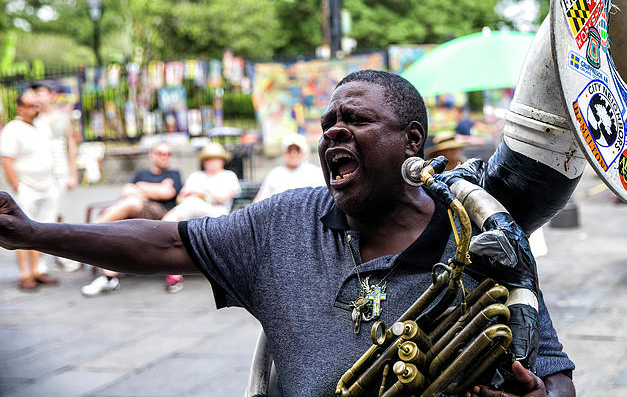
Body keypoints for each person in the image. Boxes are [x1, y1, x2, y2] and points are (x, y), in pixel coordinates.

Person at [0, 71, 575, 397]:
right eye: (328, 125)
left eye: (357, 120)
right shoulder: (285, 221)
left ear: (413, 141)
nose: (334, 133)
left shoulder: (478, 236)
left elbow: (556, 378)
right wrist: (33, 232)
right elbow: (167, 243)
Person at [80, 142, 183, 297]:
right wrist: (153, 189)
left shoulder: (174, 173)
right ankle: (109, 278)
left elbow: (166, 193)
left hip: (160, 217)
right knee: (111, 231)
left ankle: (87, 233)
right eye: (160, 153)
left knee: (132, 202)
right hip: (133, 214)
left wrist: (140, 188)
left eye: (168, 154)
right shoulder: (141, 173)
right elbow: (127, 190)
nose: (164, 157)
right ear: (152, 155)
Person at [161, 142, 241, 293]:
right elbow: (183, 196)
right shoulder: (196, 176)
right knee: (179, 216)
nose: (211, 162)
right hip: (191, 211)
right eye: (208, 159)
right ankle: (172, 269)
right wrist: (200, 193)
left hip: (217, 214)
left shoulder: (229, 176)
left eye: (215, 159)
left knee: (189, 206)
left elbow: (223, 198)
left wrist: (202, 191)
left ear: (222, 160)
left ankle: (163, 232)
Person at [0, 89, 60, 290]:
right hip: (27, 188)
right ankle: (25, 274)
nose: (36, 109)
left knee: (44, 230)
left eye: (37, 105)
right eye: (31, 106)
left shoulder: (42, 126)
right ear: (19, 107)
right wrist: (19, 188)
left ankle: (37, 270)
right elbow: (7, 162)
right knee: (21, 230)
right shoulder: (12, 129)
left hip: (47, 186)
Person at [34, 82, 81, 272]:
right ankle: (40, 260)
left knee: (58, 216)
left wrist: (73, 174)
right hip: (41, 175)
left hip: (61, 172)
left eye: (41, 93)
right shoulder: (34, 120)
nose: (38, 97)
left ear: (52, 96)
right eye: (35, 93)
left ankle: (63, 255)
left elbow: (71, 146)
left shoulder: (63, 118)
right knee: (41, 217)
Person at [253, 133, 324, 203]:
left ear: (303, 152)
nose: (293, 154)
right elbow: (259, 200)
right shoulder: (275, 173)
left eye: (297, 150)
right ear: (284, 152)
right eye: (289, 150)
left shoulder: (314, 173)